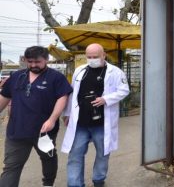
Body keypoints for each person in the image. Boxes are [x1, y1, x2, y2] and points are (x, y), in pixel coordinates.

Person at [0, 46, 72, 187]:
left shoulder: (56, 78)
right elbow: (4, 97)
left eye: (37, 62)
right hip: (17, 132)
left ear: (46, 59)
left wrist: (52, 119)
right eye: (30, 61)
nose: (33, 65)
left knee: (48, 158)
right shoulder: (16, 76)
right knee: (11, 166)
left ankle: (48, 183)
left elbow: (62, 98)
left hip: (44, 132)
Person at [62, 43, 129, 187]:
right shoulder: (79, 71)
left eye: (95, 57)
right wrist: (67, 114)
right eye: (89, 57)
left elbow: (124, 90)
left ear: (104, 55)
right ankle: (74, 184)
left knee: (102, 154)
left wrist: (106, 99)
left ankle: (98, 179)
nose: (92, 59)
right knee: (75, 155)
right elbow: (73, 93)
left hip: (102, 122)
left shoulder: (116, 72)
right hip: (80, 122)